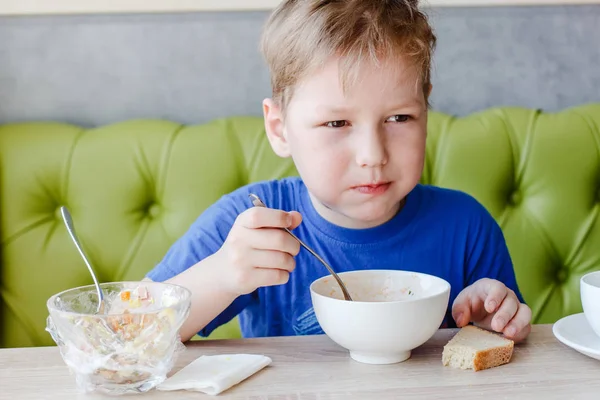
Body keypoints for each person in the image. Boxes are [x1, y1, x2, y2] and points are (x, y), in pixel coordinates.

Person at [145, 0, 532, 343]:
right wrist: (221, 275)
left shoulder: (466, 227)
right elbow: (128, 332)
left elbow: (505, 349)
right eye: (337, 124)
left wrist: (493, 323)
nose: (372, 155)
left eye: (399, 117)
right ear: (280, 129)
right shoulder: (248, 224)